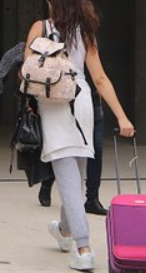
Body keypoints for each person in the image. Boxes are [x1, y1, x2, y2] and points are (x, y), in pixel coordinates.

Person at [28, 0, 134, 272]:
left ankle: (84, 247)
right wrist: (121, 116)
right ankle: (64, 231)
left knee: (69, 176)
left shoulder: (41, 28)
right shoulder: (85, 32)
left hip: (54, 105)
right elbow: (99, 78)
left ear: (51, 2)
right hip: (83, 102)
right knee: (74, 175)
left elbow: (27, 70)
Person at [37, 66, 106, 215]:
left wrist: (99, 103)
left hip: (91, 101)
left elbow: (99, 77)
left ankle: (92, 198)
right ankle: (47, 182)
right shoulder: (62, 46)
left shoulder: (89, 44)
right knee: (67, 150)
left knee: (97, 150)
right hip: (69, 101)